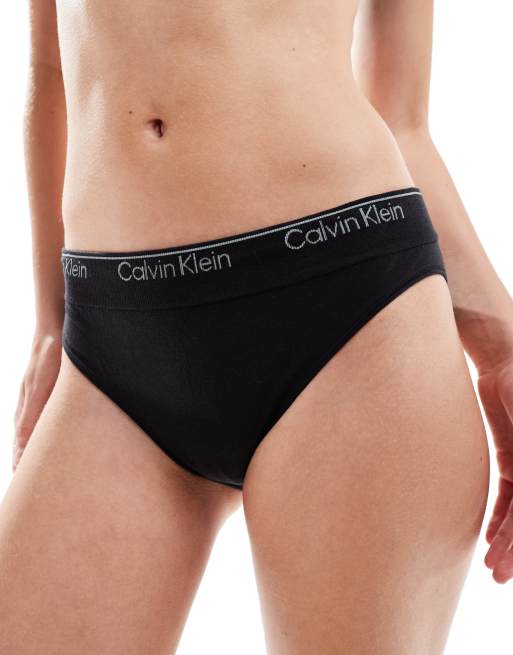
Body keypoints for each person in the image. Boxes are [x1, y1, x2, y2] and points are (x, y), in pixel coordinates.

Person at [0, 0, 511, 653]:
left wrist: (501, 349)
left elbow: (402, 120)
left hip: (352, 320)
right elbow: (50, 65)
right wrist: (50, 321)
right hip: (113, 341)